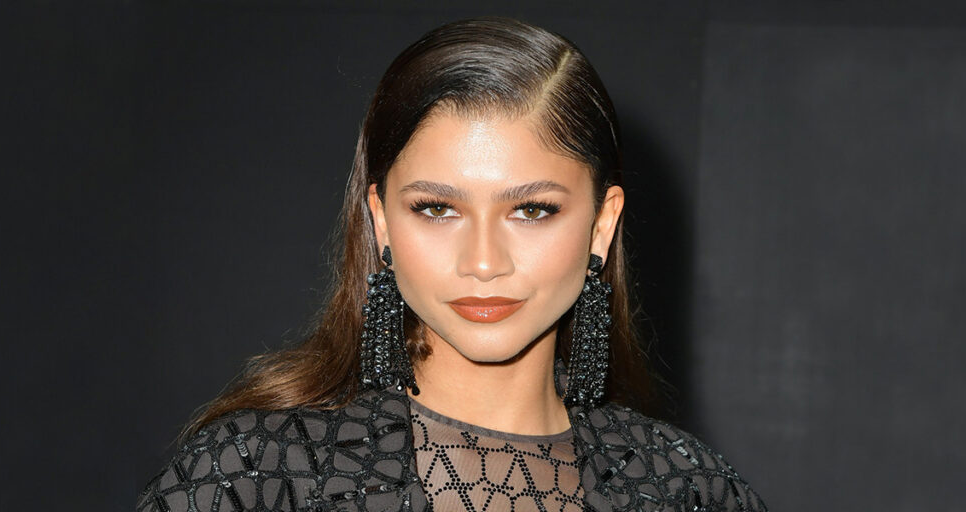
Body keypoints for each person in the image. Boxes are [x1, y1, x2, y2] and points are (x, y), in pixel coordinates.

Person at [136, 16, 767, 512]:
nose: (483, 262)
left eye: (532, 210)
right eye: (438, 209)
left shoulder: (690, 489)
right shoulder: (253, 475)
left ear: (601, 225)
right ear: (383, 220)